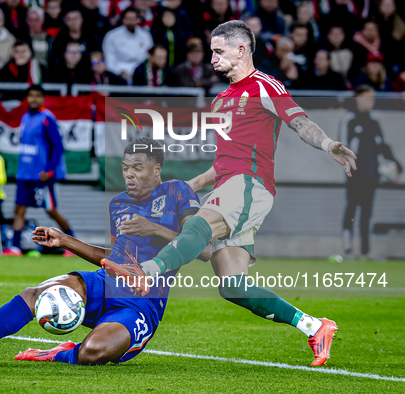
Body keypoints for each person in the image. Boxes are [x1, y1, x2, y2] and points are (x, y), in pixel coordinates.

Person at [103, 20, 358, 367]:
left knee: (197, 225)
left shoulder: (265, 86)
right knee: (233, 287)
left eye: (218, 51)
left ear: (241, 50)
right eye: (211, 51)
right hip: (230, 184)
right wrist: (187, 186)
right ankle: (315, 326)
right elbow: (221, 163)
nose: (212, 58)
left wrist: (329, 144)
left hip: (250, 184)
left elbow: (299, 121)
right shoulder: (220, 101)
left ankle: (147, 271)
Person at [0, 138, 212, 365]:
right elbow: (116, 257)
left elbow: (204, 249)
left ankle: (58, 353)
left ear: (156, 169)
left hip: (142, 304)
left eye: (137, 167)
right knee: (34, 294)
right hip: (105, 283)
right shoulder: (120, 203)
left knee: (93, 352)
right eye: (125, 167)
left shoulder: (178, 193)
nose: (129, 174)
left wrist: (155, 229)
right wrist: (64, 240)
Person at [4, 85, 74, 257]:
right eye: (31, 96)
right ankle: (14, 248)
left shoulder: (47, 118)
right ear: (27, 98)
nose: (34, 99)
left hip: (41, 175)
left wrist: (49, 170)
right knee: (19, 209)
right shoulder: (25, 117)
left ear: (42, 98)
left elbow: (57, 146)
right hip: (24, 174)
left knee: (51, 210)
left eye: (37, 96)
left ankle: (72, 244)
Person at [339, 85, 402, 257]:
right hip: (354, 176)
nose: (371, 101)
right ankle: (347, 249)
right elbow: (342, 145)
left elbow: (383, 146)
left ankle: (365, 251)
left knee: (367, 213)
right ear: (358, 98)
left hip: (371, 176)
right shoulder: (349, 120)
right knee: (351, 209)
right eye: (368, 98)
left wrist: (397, 165)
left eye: (372, 98)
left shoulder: (374, 123)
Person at [102, 7, 153, 82]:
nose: (131, 22)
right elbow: (109, 59)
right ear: (123, 20)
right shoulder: (112, 35)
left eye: (133, 19)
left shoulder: (145, 35)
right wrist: (119, 72)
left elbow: (149, 57)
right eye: (128, 19)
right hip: (118, 75)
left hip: (141, 74)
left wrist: (139, 72)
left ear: (138, 19)